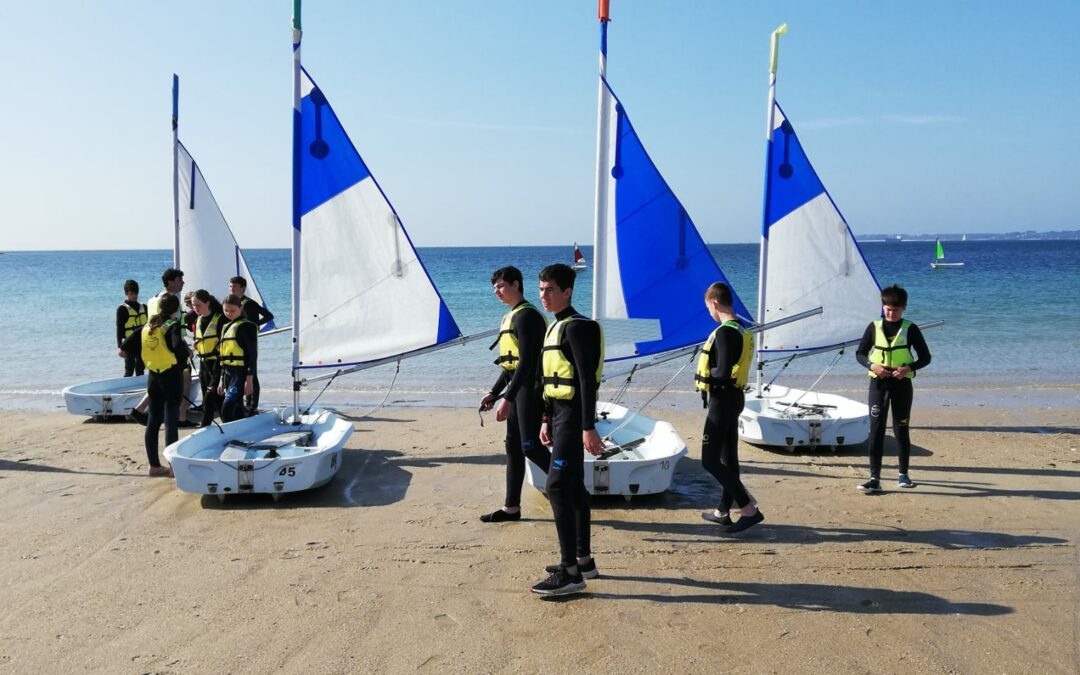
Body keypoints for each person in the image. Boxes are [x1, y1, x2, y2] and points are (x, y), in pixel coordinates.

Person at [530, 264, 604, 597]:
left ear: (568, 292)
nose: (543, 295)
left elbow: (586, 381)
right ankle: (583, 560)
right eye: (541, 289)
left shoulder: (578, 328)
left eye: (549, 290)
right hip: (559, 414)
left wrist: (588, 427)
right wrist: (546, 418)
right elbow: (550, 380)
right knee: (572, 487)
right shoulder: (556, 327)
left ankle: (570, 571)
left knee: (557, 486)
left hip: (575, 416)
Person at [478, 266, 552, 523]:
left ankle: (571, 494)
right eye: (494, 288)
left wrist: (507, 399)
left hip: (530, 390)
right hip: (517, 388)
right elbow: (510, 365)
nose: (497, 292)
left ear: (517, 284)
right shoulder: (512, 316)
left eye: (501, 286)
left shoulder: (527, 317)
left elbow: (528, 363)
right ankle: (511, 508)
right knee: (514, 448)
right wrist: (493, 392)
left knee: (530, 446)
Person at [695, 282, 764, 534]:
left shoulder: (725, 333)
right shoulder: (741, 329)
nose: (709, 313)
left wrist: (705, 372)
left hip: (722, 402)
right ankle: (723, 511)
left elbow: (722, 372)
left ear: (714, 303)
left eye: (708, 308)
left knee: (709, 460)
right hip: (734, 398)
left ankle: (748, 509)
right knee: (728, 457)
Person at [854, 284, 932, 493]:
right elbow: (860, 354)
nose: (891, 313)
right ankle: (874, 478)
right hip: (878, 384)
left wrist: (908, 368)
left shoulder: (911, 329)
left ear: (903, 308)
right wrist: (873, 366)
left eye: (895, 310)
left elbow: (926, 358)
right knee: (876, 429)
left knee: (901, 428)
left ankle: (903, 474)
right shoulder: (874, 327)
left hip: (902, 385)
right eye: (887, 309)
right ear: (883, 306)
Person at [121, 293, 188, 476]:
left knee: (153, 420)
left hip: (153, 377)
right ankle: (173, 468)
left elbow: (125, 346)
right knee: (171, 422)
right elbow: (177, 347)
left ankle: (154, 466)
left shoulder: (148, 325)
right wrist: (186, 352)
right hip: (171, 377)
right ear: (177, 310)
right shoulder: (171, 326)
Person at [228, 276, 273, 416]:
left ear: (242, 288)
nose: (231, 289)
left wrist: (255, 325)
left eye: (234, 286)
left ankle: (252, 406)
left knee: (251, 372)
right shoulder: (233, 303)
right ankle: (242, 403)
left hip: (250, 341)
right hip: (237, 342)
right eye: (230, 286)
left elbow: (269, 315)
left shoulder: (248, 303)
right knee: (241, 372)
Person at [217, 294, 258, 424]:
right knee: (236, 408)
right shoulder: (225, 327)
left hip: (240, 373)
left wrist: (249, 379)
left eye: (232, 310)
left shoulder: (247, 326)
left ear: (241, 308)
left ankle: (231, 435)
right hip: (228, 373)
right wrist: (221, 380)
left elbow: (252, 355)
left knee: (226, 410)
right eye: (226, 310)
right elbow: (222, 357)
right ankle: (239, 434)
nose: (229, 313)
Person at [191, 290, 225, 428]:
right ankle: (227, 424)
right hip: (204, 365)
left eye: (198, 305)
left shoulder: (220, 319)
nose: (195, 308)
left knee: (208, 399)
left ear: (208, 303)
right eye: (193, 305)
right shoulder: (197, 320)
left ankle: (204, 427)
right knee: (216, 400)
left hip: (217, 364)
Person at [116, 279, 147, 377]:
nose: (134, 296)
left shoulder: (144, 307)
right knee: (129, 368)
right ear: (126, 293)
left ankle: (140, 389)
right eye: (131, 293)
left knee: (140, 367)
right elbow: (119, 329)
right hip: (129, 343)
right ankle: (126, 390)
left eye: (136, 293)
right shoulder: (122, 309)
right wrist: (120, 347)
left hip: (142, 342)